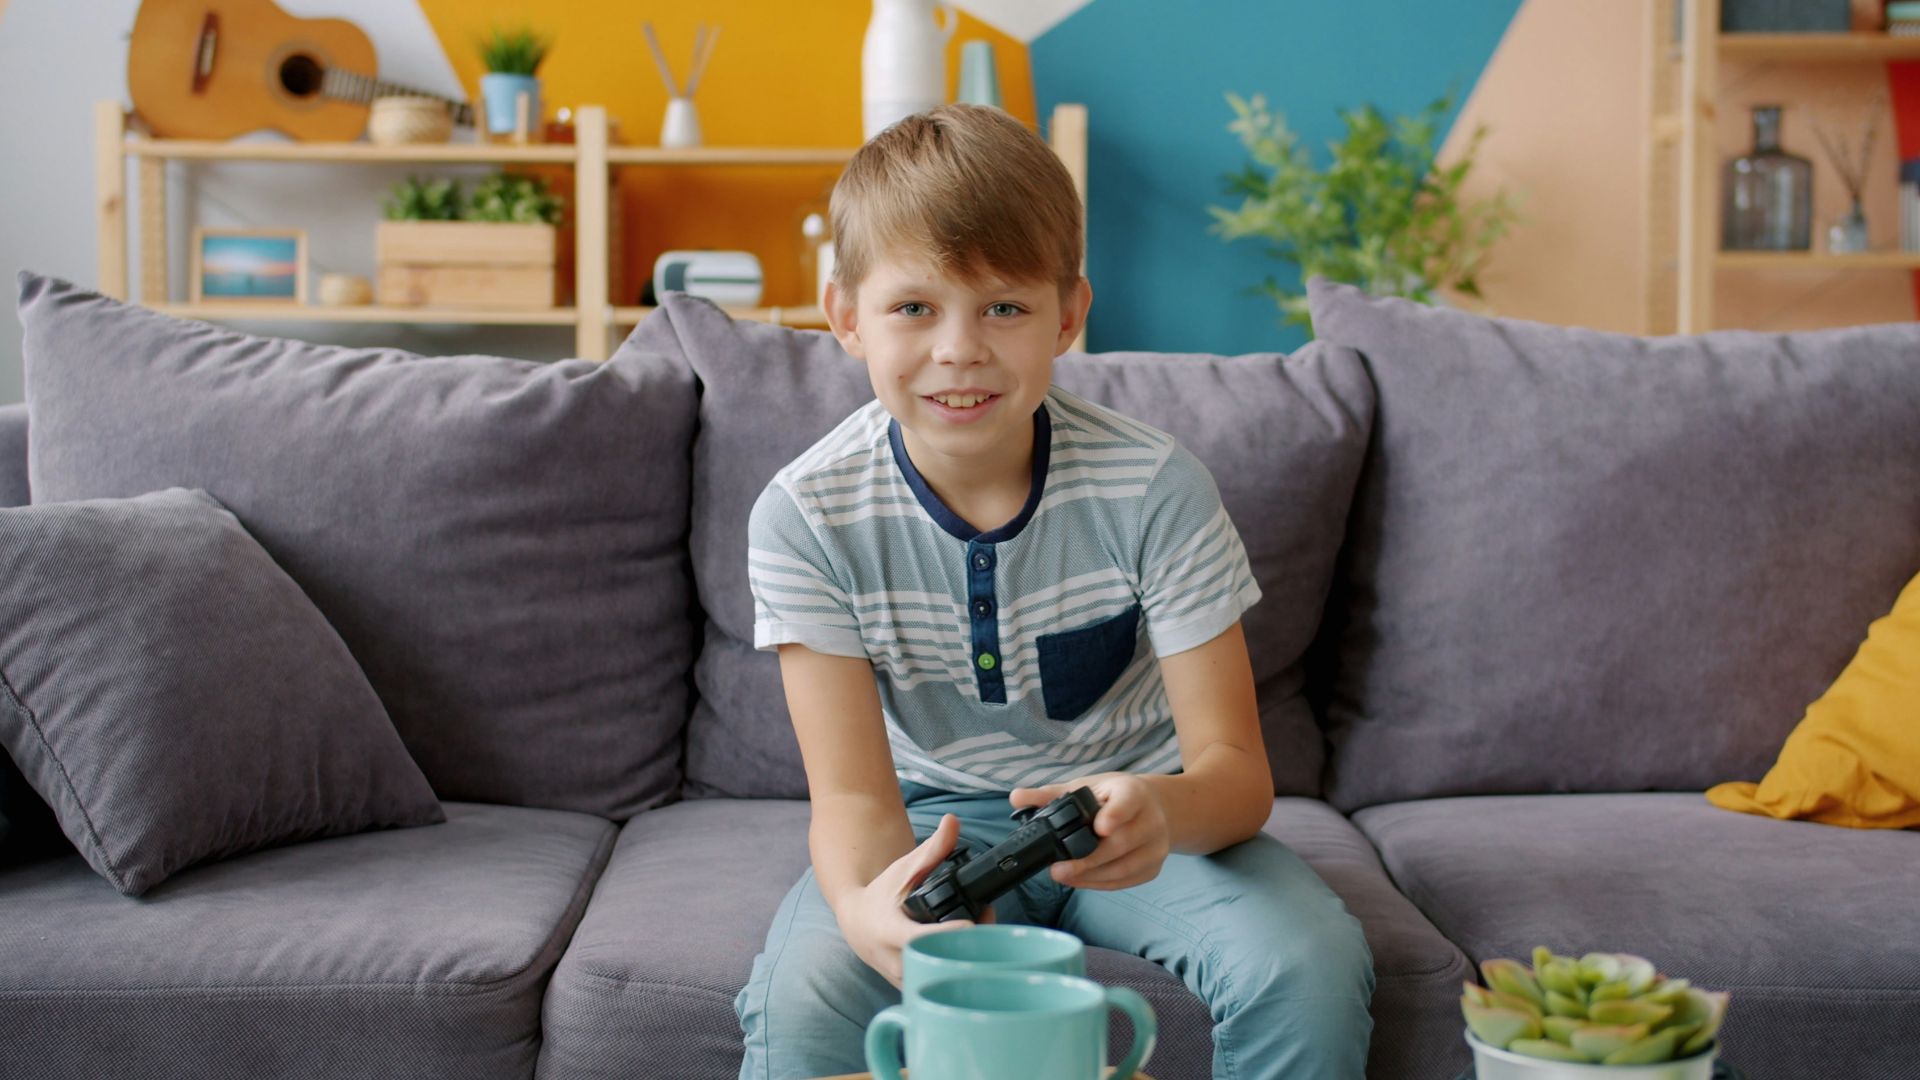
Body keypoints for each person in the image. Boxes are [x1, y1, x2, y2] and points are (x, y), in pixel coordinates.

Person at [733, 103, 1374, 1080]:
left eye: (1003, 306)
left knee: (1308, 962)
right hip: (931, 822)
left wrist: (1164, 811)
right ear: (844, 317)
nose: (959, 349)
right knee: (805, 989)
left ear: (1068, 315)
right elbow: (855, 797)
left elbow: (1234, 772)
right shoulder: (804, 516)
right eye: (914, 307)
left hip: (1143, 818)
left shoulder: (1156, 487)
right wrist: (867, 912)